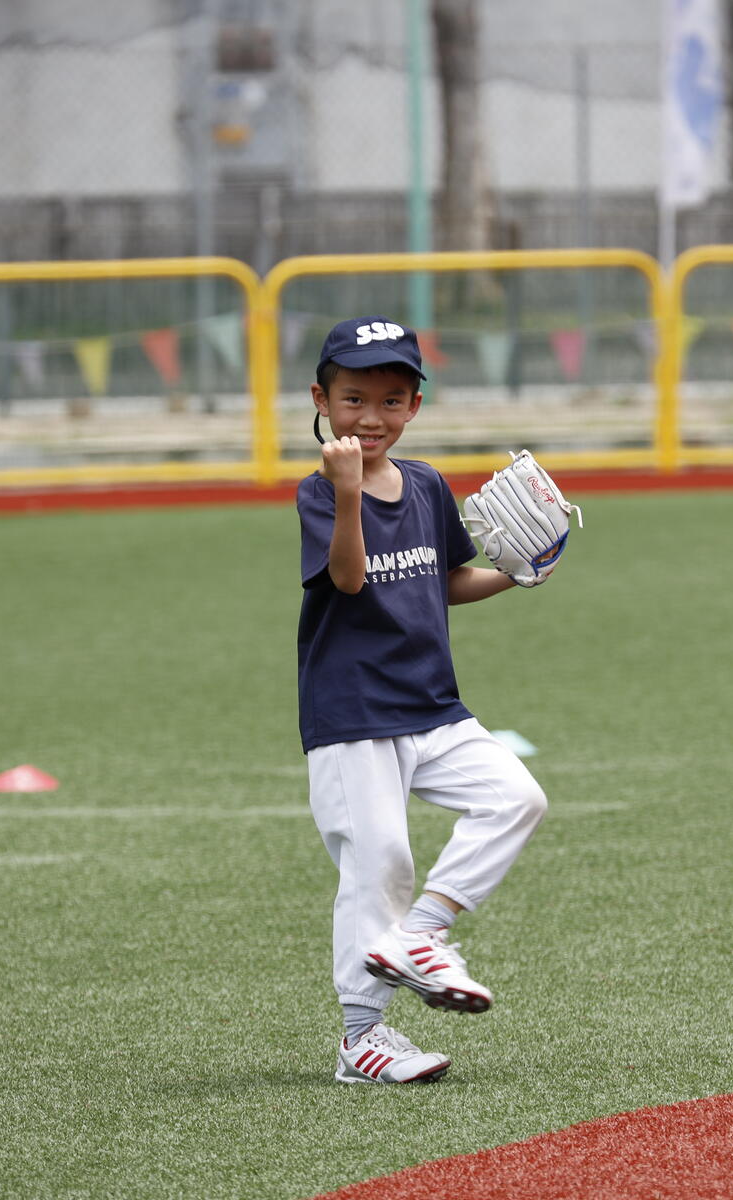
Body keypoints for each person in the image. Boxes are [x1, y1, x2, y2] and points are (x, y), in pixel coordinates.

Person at [296, 315, 549, 1084]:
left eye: (391, 400)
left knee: (516, 798)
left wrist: (519, 571)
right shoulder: (319, 491)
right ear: (321, 401)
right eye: (353, 399)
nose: (371, 417)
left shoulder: (429, 485)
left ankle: (424, 932)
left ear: (414, 405)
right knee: (380, 863)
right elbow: (348, 579)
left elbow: (446, 583)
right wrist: (347, 496)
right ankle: (361, 1039)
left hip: (433, 705)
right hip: (354, 713)